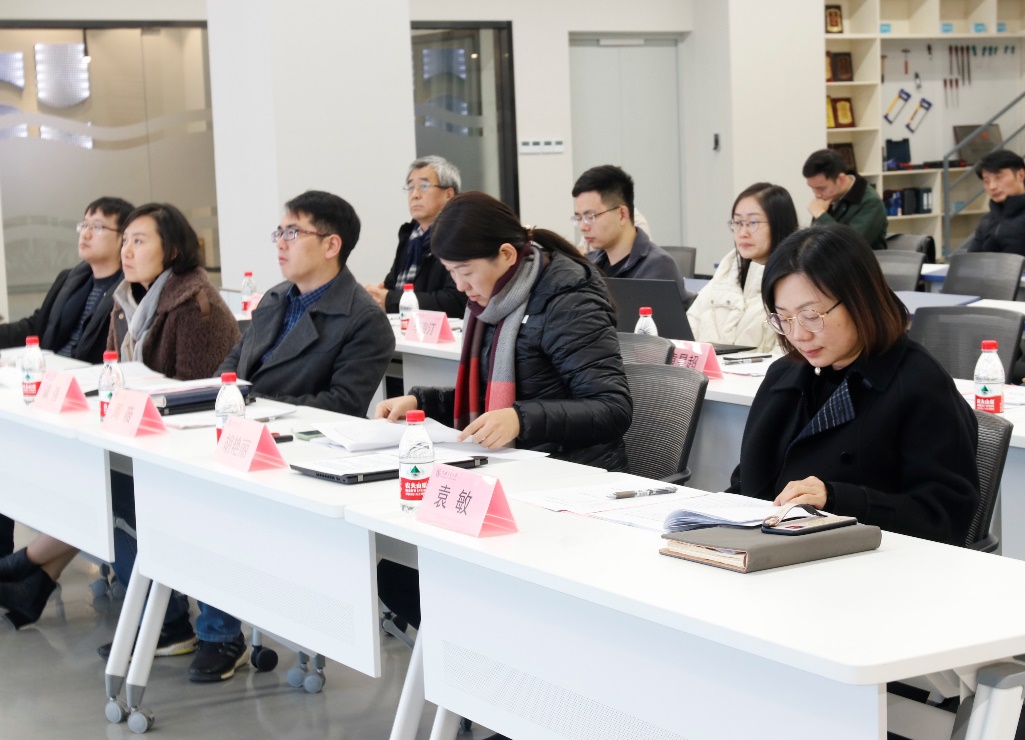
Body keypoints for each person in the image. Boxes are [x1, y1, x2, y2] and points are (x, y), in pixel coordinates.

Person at [375, 190, 632, 629]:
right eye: (451, 273)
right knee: (397, 565)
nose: (460, 287)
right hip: (513, 472)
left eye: (465, 272)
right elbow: (488, 398)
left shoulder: (567, 298)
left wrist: (521, 419)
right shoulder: (496, 302)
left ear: (507, 255)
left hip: (568, 482)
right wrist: (422, 401)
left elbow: (612, 407)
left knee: (430, 581)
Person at [177, 190, 397, 683]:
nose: (280, 242)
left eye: (293, 232)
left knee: (213, 503)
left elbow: (341, 407)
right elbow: (232, 366)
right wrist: (228, 399)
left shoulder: (364, 320)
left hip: (298, 457)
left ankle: (219, 633)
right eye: (279, 232)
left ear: (332, 245)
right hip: (245, 439)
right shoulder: (277, 298)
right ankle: (178, 620)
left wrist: (254, 410)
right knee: (177, 486)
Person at [0, 203, 239, 632]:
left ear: (172, 250)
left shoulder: (194, 304)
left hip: (189, 446)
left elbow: (193, 395)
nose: (127, 251)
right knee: (101, 487)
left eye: (138, 241)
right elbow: (116, 372)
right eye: (125, 240)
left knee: (113, 494)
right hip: (139, 433)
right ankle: (154, 619)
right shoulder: (127, 298)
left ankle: (182, 626)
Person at [728, 224, 979, 546]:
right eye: (783, 319)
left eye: (811, 316)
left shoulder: (919, 383)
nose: (799, 335)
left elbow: (945, 518)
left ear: (861, 300)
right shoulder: (783, 377)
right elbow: (745, 486)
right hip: (773, 551)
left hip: (875, 564)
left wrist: (837, 499)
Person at [0, 196, 132, 559]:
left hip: (83, 405)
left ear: (123, 238)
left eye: (97, 227)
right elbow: (36, 327)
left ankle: (25, 567)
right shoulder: (71, 279)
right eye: (84, 225)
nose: (85, 233)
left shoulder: (129, 290)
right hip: (47, 395)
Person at [686, 183, 798, 350]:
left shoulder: (796, 282)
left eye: (752, 222)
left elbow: (790, 354)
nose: (743, 233)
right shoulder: (725, 273)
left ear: (779, 224)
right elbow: (688, 329)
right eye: (737, 222)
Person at [573, 164, 692, 306]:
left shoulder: (657, 267)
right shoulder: (590, 265)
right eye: (578, 218)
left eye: (590, 216)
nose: (583, 227)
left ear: (622, 215)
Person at [363, 155, 467, 318]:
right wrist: (377, 295)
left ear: (448, 194)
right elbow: (392, 286)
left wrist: (390, 299)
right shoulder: (410, 236)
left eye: (424, 186)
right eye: (411, 187)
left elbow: (456, 301)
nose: (415, 195)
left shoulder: (459, 234)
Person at [802, 148, 887, 250]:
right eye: (812, 188)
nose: (817, 195)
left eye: (821, 188)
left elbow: (849, 247)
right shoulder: (829, 197)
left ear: (841, 179)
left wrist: (820, 214)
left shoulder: (871, 203)